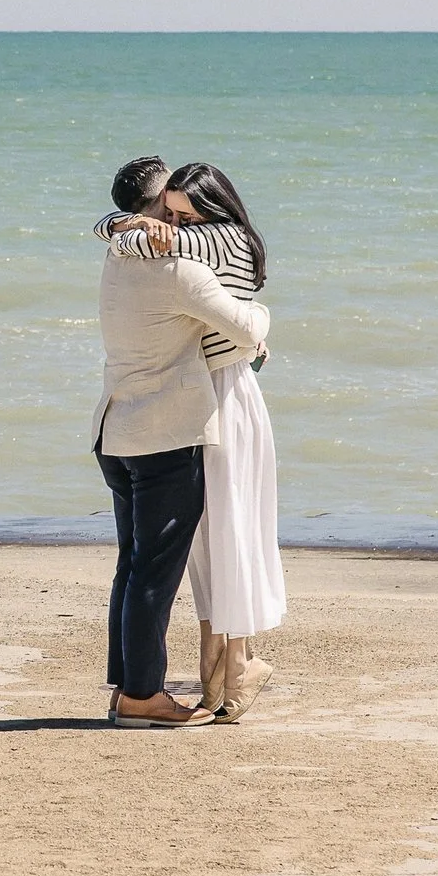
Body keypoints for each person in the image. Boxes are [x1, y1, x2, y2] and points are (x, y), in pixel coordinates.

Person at [95, 162, 283, 722]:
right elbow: (247, 327)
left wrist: (119, 225)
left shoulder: (118, 257)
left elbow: (109, 230)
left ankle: (132, 686)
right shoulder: (179, 270)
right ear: (155, 208)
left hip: (116, 428)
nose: (175, 222)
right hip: (167, 434)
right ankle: (142, 695)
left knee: (134, 566)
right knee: (155, 571)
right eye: (170, 209)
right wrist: (261, 322)